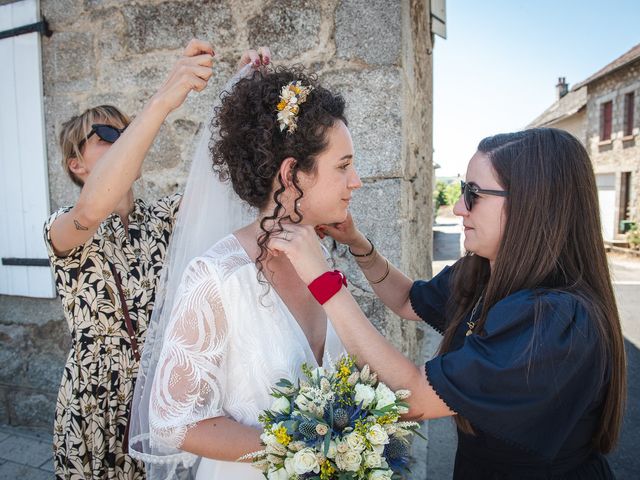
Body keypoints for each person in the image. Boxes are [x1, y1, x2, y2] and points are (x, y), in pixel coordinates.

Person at [271, 128, 626, 479]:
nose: (458, 208)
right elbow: (409, 301)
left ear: (532, 204)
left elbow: (411, 398)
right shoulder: (486, 269)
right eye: (461, 190)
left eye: (473, 194)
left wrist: (322, 280)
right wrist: (357, 243)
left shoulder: (556, 321)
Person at [44, 39, 269, 479]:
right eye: (109, 135)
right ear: (76, 165)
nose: (126, 138)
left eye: (127, 129)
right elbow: (91, 210)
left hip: (156, 397)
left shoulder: (161, 216)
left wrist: (241, 95)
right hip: (95, 405)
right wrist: (165, 97)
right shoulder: (62, 225)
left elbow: (218, 184)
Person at [129, 65, 361, 479]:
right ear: (292, 175)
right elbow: (171, 420)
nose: (355, 181)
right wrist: (310, 449)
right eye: (343, 166)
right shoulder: (217, 276)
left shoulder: (328, 259)